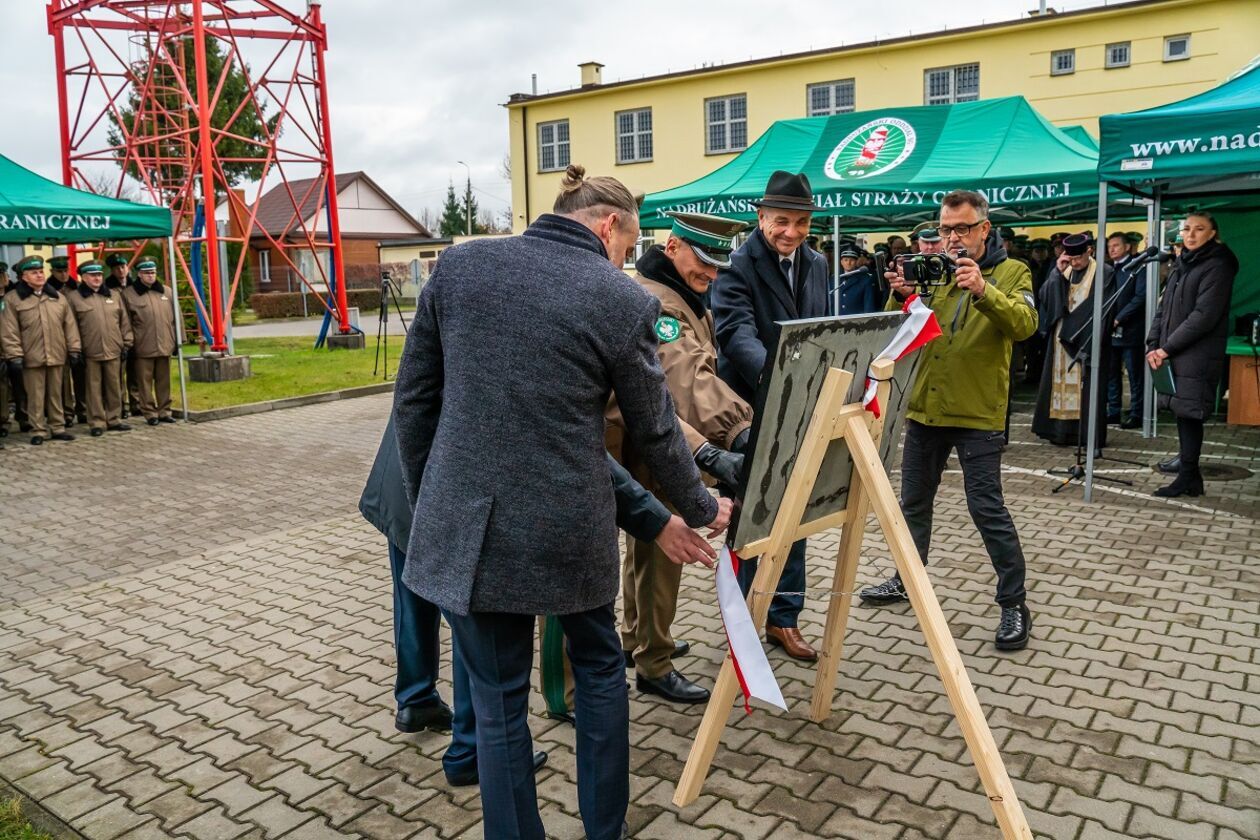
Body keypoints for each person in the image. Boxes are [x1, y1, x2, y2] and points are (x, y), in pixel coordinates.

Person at [392, 164, 730, 840]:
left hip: (473, 527)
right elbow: (654, 426)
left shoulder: (459, 270)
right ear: (609, 226)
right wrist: (697, 505)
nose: (626, 259)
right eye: (628, 246)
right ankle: (605, 829)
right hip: (569, 528)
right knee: (602, 669)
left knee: (496, 700)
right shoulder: (619, 296)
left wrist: (439, 496)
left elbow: (414, 403)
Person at [861, 190, 1037, 651]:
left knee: (987, 509)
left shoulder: (1012, 271)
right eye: (944, 229)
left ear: (984, 229)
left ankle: (1014, 603)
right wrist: (900, 295)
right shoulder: (934, 273)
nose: (952, 238)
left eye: (961, 228)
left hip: (978, 413)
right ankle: (906, 579)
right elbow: (895, 336)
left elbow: (1025, 326)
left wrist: (983, 289)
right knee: (912, 504)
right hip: (924, 409)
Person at [606, 210, 752, 705]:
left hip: (652, 443)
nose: (710, 276)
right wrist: (737, 430)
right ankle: (654, 661)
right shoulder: (658, 301)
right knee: (661, 557)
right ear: (672, 248)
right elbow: (685, 377)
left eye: (717, 267)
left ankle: (637, 638)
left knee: (642, 553)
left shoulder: (677, 293)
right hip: (659, 450)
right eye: (703, 262)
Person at [712, 170, 831, 663]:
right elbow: (736, 333)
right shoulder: (736, 264)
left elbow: (819, 327)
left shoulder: (818, 263)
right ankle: (744, 622)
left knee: (796, 510)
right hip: (749, 409)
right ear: (761, 218)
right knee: (750, 516)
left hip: (801, 407)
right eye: (781, 221)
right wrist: (780, 378)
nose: (791, 232)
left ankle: (784, 618)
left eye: (801, 222)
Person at [1147, 211, 1236, 498]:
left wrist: (1166, 347)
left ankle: (1187, 476)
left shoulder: (1217, 265)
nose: (1191, 234)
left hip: (1196, 354)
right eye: (1187, 229)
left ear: (1213, 234)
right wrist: (1152, 343)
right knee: (1184, 414)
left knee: (1190, 414)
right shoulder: (1182, 264)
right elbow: (1164, 307)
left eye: (1199, 229)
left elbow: (1203, 316)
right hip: (1174, 352)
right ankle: (1190, 476)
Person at [1032, 233, 1114, 448]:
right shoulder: (1064, 268)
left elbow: (1102, 307)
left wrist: (1073, 330)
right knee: (1058, 384)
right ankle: (1059, 432)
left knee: (1086, 387)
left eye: (1079, 258)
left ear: (1090, 251)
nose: (1075, 263)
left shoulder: (1103, 272)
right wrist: (1057, 274)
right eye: (1072, 258)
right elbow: (1045, 297)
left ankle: (1086, 435)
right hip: (1060, 339)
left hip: (1086, 338)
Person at [0, 256, 82, 445]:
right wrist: (14, 355)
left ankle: (57, 426)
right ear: (23, 277)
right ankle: (38, 429)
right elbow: (8, 329)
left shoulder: (57, 297)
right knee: (35, 395)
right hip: (31, 355)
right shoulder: (12, 299)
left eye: (40, 271)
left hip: (56, 352)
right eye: (34, 272)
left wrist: (74, 348)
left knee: (56, 392)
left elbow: (69, 325)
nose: (39, 275)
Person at [67, 261, 133, 437]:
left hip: (113, 349)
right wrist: (75, 349)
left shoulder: (113, 295)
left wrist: (127, 342)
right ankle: (96, 422)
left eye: (99, 275)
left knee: (114, 386)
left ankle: (114, 419)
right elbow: (70, 325)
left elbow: (124, 322)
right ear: (84, 277)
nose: (97, 278)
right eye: (92, 275)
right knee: (93, 388)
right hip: (90, 351)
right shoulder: (74, 298)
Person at [122, 259, 178, 426]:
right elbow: (126, 322)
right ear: (139, 274)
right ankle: (149, 412)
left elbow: (176, 318)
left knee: (164, 381)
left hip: (165, 344)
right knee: (144, 383)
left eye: (153, 272)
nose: (150, 275)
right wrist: (129, 343)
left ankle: (164, 411)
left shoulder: (166, 292)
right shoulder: (128, 294)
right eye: (146, 273)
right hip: (142, 346)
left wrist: (178, 341)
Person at [1106, 233, 1146, 429]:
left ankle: (1137, 413)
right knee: (1111, 372)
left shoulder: (1138, 266)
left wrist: (1120, 317)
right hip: (1110, 331)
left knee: (1134, 375)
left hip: (1131, 330)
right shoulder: (1108, 269)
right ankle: (1113, 411)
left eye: (1116, 245)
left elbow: (1140, 297)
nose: (1112, 249)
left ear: (1127, 247)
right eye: (1109, 246)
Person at [46, 256, 86, 428]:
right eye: (59, 271)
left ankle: (83, 410)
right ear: (52, 271)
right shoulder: (47, 289)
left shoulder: (76, 287)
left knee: (81, 376)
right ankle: (66, 413)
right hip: (58, 339)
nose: (63, 275)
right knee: (62, 379)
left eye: (65, 271)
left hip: (79, 337)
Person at [106, 253, 139, 417]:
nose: (121, 270)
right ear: (112, 270)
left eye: (123, 266)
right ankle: (121, 406)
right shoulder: (108, 289)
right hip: (118, 336)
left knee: (136, 372)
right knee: (118, 374)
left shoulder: (134, 287)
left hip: (137, 334)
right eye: (117, 268)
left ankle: (136, 403)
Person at [835, 245, 879, 315]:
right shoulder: (834, 280)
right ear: (841, 262)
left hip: (856, 322)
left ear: (856, 262)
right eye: (845, 260)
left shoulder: (865, 280)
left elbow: (869, 307)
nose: (848, 263)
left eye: (852, 260)